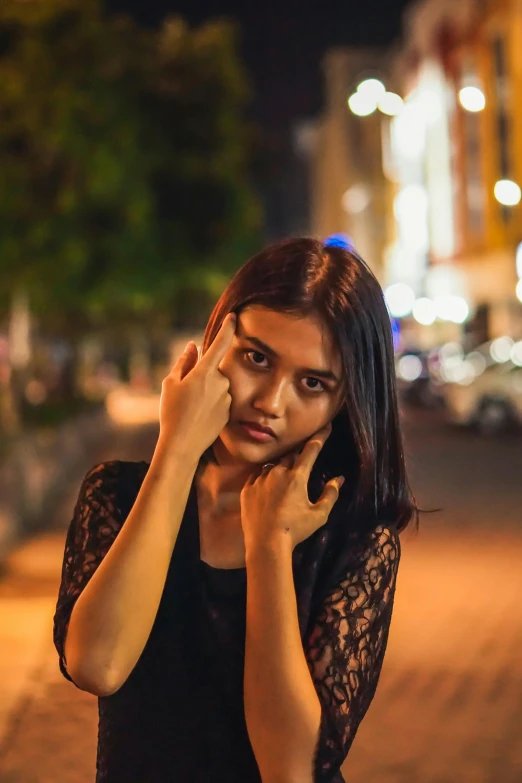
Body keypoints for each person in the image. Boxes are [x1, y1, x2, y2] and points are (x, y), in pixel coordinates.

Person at [53, 237, 418, 783]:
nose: (270, 401)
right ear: (213, 343)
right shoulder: (116, 494)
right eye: (256, 358)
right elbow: (97, 665)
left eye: (312, 383)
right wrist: (174, 452)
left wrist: (269, 546)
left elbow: (290, 769)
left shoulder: (354, 536)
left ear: (343, 403)